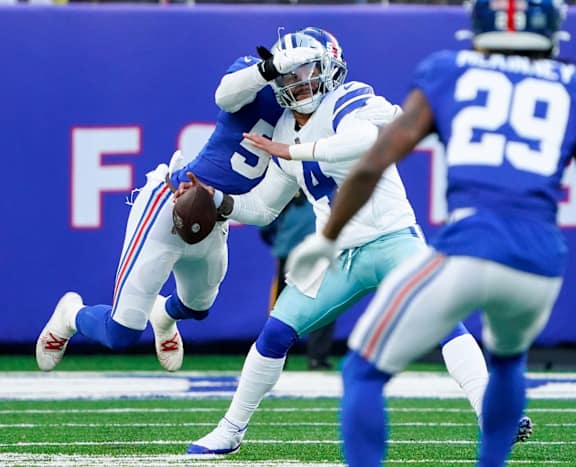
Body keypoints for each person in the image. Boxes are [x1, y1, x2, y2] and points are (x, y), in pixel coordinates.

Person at [184, 26, 523, 458]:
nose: (297, 81)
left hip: (390, 239)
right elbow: (265, 208)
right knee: (273, 334)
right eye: (288, 75)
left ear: (329, 68)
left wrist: (290, 153)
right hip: (337, 255)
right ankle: (230, 430)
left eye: (307, 69)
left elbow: (362, 141)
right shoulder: (284, 127)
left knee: (442, 320)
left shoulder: (350, 98)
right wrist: (217, 200)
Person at [286, 1, 574, 465]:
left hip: (468, 249)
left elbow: (375, 162)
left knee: (363, 371)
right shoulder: (570, 84)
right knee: (506, 363)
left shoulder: (451, 70)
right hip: (539, 264)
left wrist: (326, 237)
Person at [35, 43, 321, 373]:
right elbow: (225, 96)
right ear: (284, 65)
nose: (310, 85)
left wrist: (217, 201)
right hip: (169, 206)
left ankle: (164, 316)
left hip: (212, 217)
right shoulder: (253, 76)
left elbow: (264, 210)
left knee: (198, 307)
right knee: (121, 334)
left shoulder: (306, 132)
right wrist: (267, 71)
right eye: (303, 72)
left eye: (316, 76)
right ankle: (69, 314)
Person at [259, 189, 336, 370]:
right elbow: (266, 224)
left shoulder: (292, 194)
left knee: (291, 306)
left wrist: (280, 242)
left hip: (303, 254)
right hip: (301, 255)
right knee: (316, 305)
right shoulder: (315, 192)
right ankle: (312, 358)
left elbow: (266, 228)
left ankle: (281, 357)